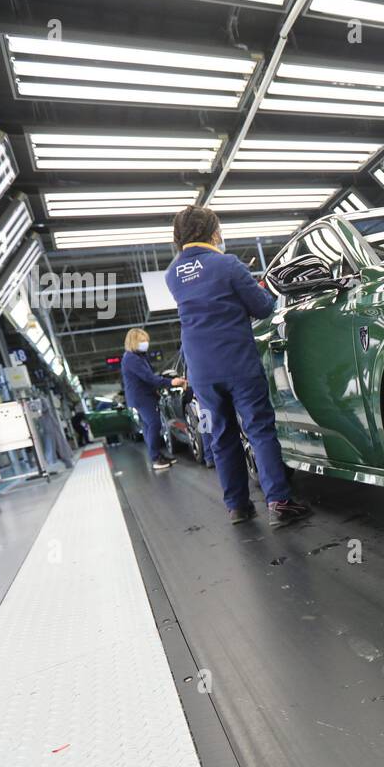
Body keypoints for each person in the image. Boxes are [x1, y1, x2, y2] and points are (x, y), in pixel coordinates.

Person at [164, 206, 310, 527]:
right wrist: (254, 286)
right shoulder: (227, 264)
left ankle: (238, 507)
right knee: (258, 428)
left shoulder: (172, 274)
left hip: (200, 370)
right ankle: (279, 502)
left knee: (222, 434)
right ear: (212, 232)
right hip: (236, 362)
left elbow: (202, 296)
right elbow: (263, 307)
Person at [121, 328, 185, 471]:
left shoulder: (138, 357)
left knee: (149, 427)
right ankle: (156, 458)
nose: (145, 343)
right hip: (142, 397)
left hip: (142, 396)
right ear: (134, 342)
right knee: (154, 424)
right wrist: (171, 382)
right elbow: (149, 378)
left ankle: (156, 455)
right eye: (142, 341)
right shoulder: (131, 358)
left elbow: (149, 377)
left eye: (146, 340)